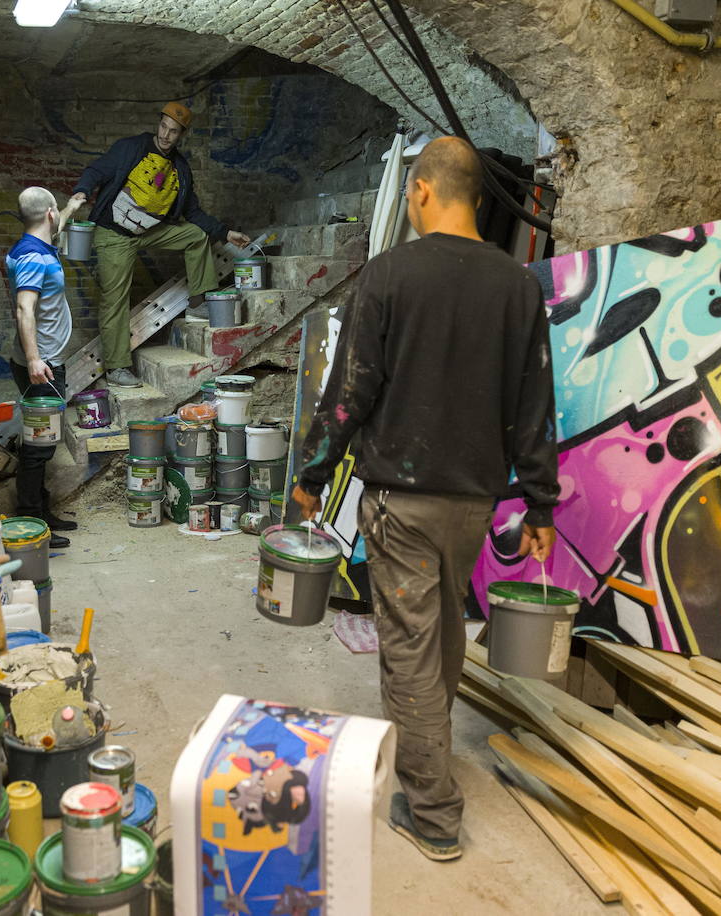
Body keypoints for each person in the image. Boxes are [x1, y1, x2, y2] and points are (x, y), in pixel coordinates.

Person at [290, 137, 559, 862]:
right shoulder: (518, 287)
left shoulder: (388, 277)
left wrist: (314, 475)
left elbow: (349, 395)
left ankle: (434, 810)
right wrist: (540, 505)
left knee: (409, 645)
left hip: (401, 504)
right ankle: (431, 750)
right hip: (472, 506)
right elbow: (534, 403)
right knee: (440, 631)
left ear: (421, 193)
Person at [70, 101, 252, 388]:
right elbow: (98, 170)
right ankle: (117, 368)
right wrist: (81, 191)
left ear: (181, 135)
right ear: (159, 124)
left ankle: (197, 301)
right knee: (114, 300)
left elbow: (192, 212)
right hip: (114, 232)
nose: (166, 135)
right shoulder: (131, 148)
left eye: (173, 132)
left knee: (194, 234)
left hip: (149, 231)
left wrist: (226, 233)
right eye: (163, 127)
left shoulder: (180, 168)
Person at [7, 186, 83, 547]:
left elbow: (56, 223)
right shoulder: (34, 259)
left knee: (44, 442)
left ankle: (40, 511)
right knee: (39, 447)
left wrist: (71, 206)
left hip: (44, 361)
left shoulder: (33, 244)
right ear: (47, 215)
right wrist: (36, 359)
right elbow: (25, 309)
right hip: (44, 365)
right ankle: (31, 522)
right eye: (57, 212)